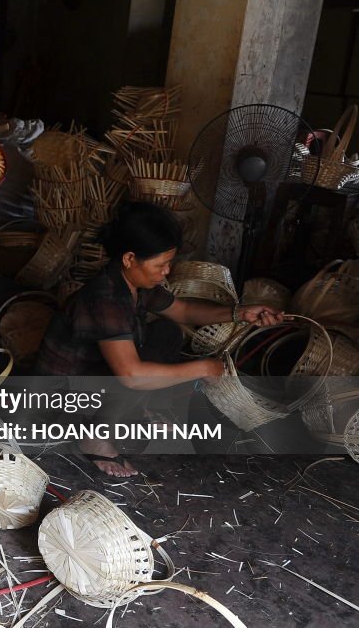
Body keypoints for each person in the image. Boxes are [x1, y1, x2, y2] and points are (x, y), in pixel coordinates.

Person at [32, 202, 285, 477]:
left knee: (167, 332)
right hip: (59, 397)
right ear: (129, 259)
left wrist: (239, 313)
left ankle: (130, 412)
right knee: (139, 380)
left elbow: (184, 311)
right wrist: (203, 368)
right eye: (161, 264)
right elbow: (132, 376)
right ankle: (95, 439)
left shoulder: (137, 284)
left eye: (169, 263)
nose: (167, 271)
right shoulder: (104, 297)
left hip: (93, 379)